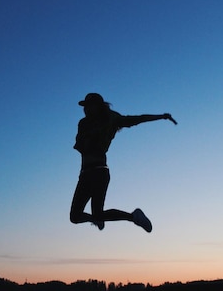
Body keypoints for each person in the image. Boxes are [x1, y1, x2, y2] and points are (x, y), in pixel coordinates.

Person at [69, 93, 177, 232]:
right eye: (85, 107)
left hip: (99, 171)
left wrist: (161, 116)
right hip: (85, 173)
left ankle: (133, 216)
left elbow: (137, 119)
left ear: (98, 106)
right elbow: (80, 147)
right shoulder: (84, 123)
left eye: (90, 106)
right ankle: (97, 219)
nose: (86, 109)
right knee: (75, 217)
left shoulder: (111, 119)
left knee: (97, 213)